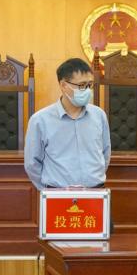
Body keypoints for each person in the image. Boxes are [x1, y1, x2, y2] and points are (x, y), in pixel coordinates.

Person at [24, 58, 111, 191]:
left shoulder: (99, 115)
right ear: (64, 85)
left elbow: (105, 154)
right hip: (56, 193)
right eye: (82, 85)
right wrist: (47, 190)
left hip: (95, 192)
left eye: (90, 85)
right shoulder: (40, 120)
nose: (87, 90)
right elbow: (32, 164)